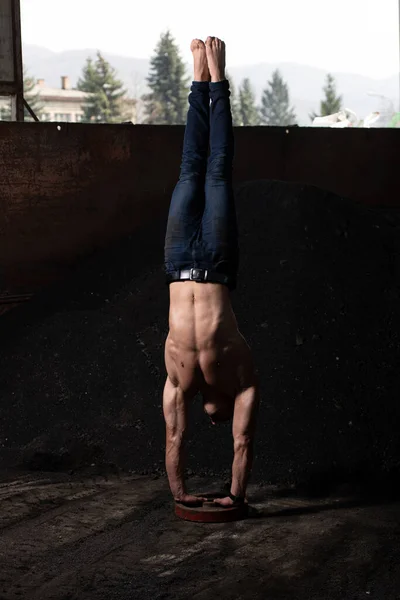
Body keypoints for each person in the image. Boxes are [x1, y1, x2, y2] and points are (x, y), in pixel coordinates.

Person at [163, 37, 259, 508]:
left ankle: (197, 77)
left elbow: (175, 439)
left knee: (189, 169)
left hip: (179, 261)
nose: (214, 418)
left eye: (212, 417)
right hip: (217, 260)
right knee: (216, 170)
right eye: (220, 416)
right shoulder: (239, 374)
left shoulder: (179, 379)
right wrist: (235, 496)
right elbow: (242, 442)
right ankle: (217, 80)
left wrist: (181, 494)